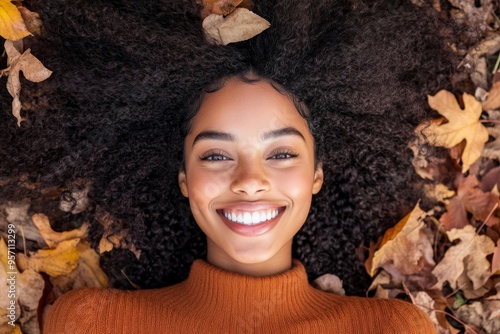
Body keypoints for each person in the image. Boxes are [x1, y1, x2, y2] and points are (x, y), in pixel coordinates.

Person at [0, 0, 459, 332]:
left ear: (317, 174)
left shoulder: (391, 329)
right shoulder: (92, 323)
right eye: (216, 155)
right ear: (183, 178)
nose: (250, 181)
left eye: (281, 154)